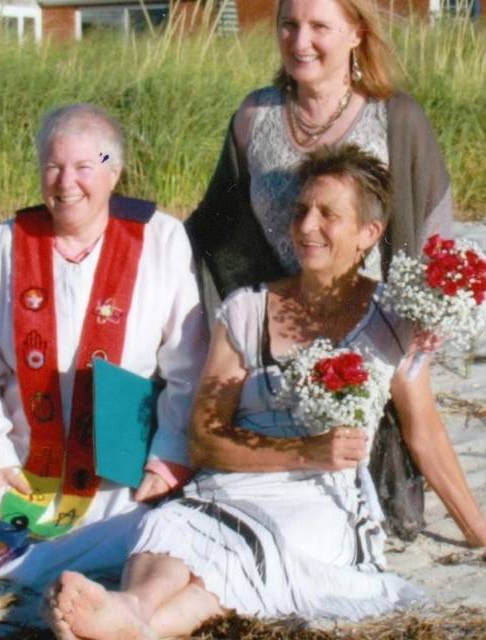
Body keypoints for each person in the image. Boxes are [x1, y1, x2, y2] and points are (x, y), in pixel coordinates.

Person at [45, 145, 486, 639]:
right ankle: (135, 608)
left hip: (323, 500)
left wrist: (479, 530)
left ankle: (140, 623)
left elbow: (423, 433)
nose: (306, 226)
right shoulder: (246, 310)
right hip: (232, 483)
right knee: (172, 528)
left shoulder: (394, 322)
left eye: (328, 215)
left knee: (250, 547)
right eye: (300, 211)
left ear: (369, 233)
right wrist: (304, 450)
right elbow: (205, 439)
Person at [186, 0, 454, 541]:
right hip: (279, 336)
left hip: (370, 333)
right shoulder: (252, 117)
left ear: (356, 33)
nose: (300, 41)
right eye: (289, 25)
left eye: (319, 27)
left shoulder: (396, 117)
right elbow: (217, 232)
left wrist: (430, 311)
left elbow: (432, 225)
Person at [0, 104, 207, 590]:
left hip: (121, 472)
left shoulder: (161, 239)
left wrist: (169, 455)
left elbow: (188, 367)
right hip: (25, 465)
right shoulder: (0, 248)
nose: (66, 182)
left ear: (113, 172)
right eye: (53, 167)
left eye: (84, 167)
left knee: (152, 537)